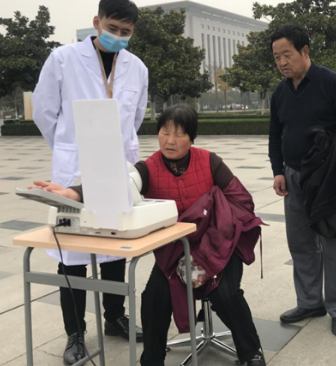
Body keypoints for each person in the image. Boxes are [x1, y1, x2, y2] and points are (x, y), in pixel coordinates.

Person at [32, 105, 266, 366]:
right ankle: (152, 360)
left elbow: (242, 201)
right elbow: (117, 185)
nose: (170, 140)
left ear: (191, 138)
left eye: (178, 134)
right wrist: (74, 193)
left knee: (225, 293)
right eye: (164, 132)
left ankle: (251, 352)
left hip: (219, 249)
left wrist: (215, 227)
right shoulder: (149, 167)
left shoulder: (210, 162)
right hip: (177, 254)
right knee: (154, 297)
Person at [32, 0, 147, 364]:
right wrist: (69, 148)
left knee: (115, 247)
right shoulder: (63, 59)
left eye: (126, 31)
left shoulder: (137, 68)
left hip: (116, 168)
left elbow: (136, 117)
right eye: (112, 28)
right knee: (73, 254)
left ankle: (114, 317)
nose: (118, 36)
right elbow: (44, 111)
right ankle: (76, 334)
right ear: (97, 22)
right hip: (73, 169)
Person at [269, 24, 336, 337]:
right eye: (276, 57)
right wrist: (278, 170)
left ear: (305, 51)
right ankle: (309, 302)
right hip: (294, 176)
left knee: (335, 243)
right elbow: (275, 134)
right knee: (301, 242)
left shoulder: (331, 83)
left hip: (328, 177)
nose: (281, 62)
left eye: (287, 54)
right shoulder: (280, 92)